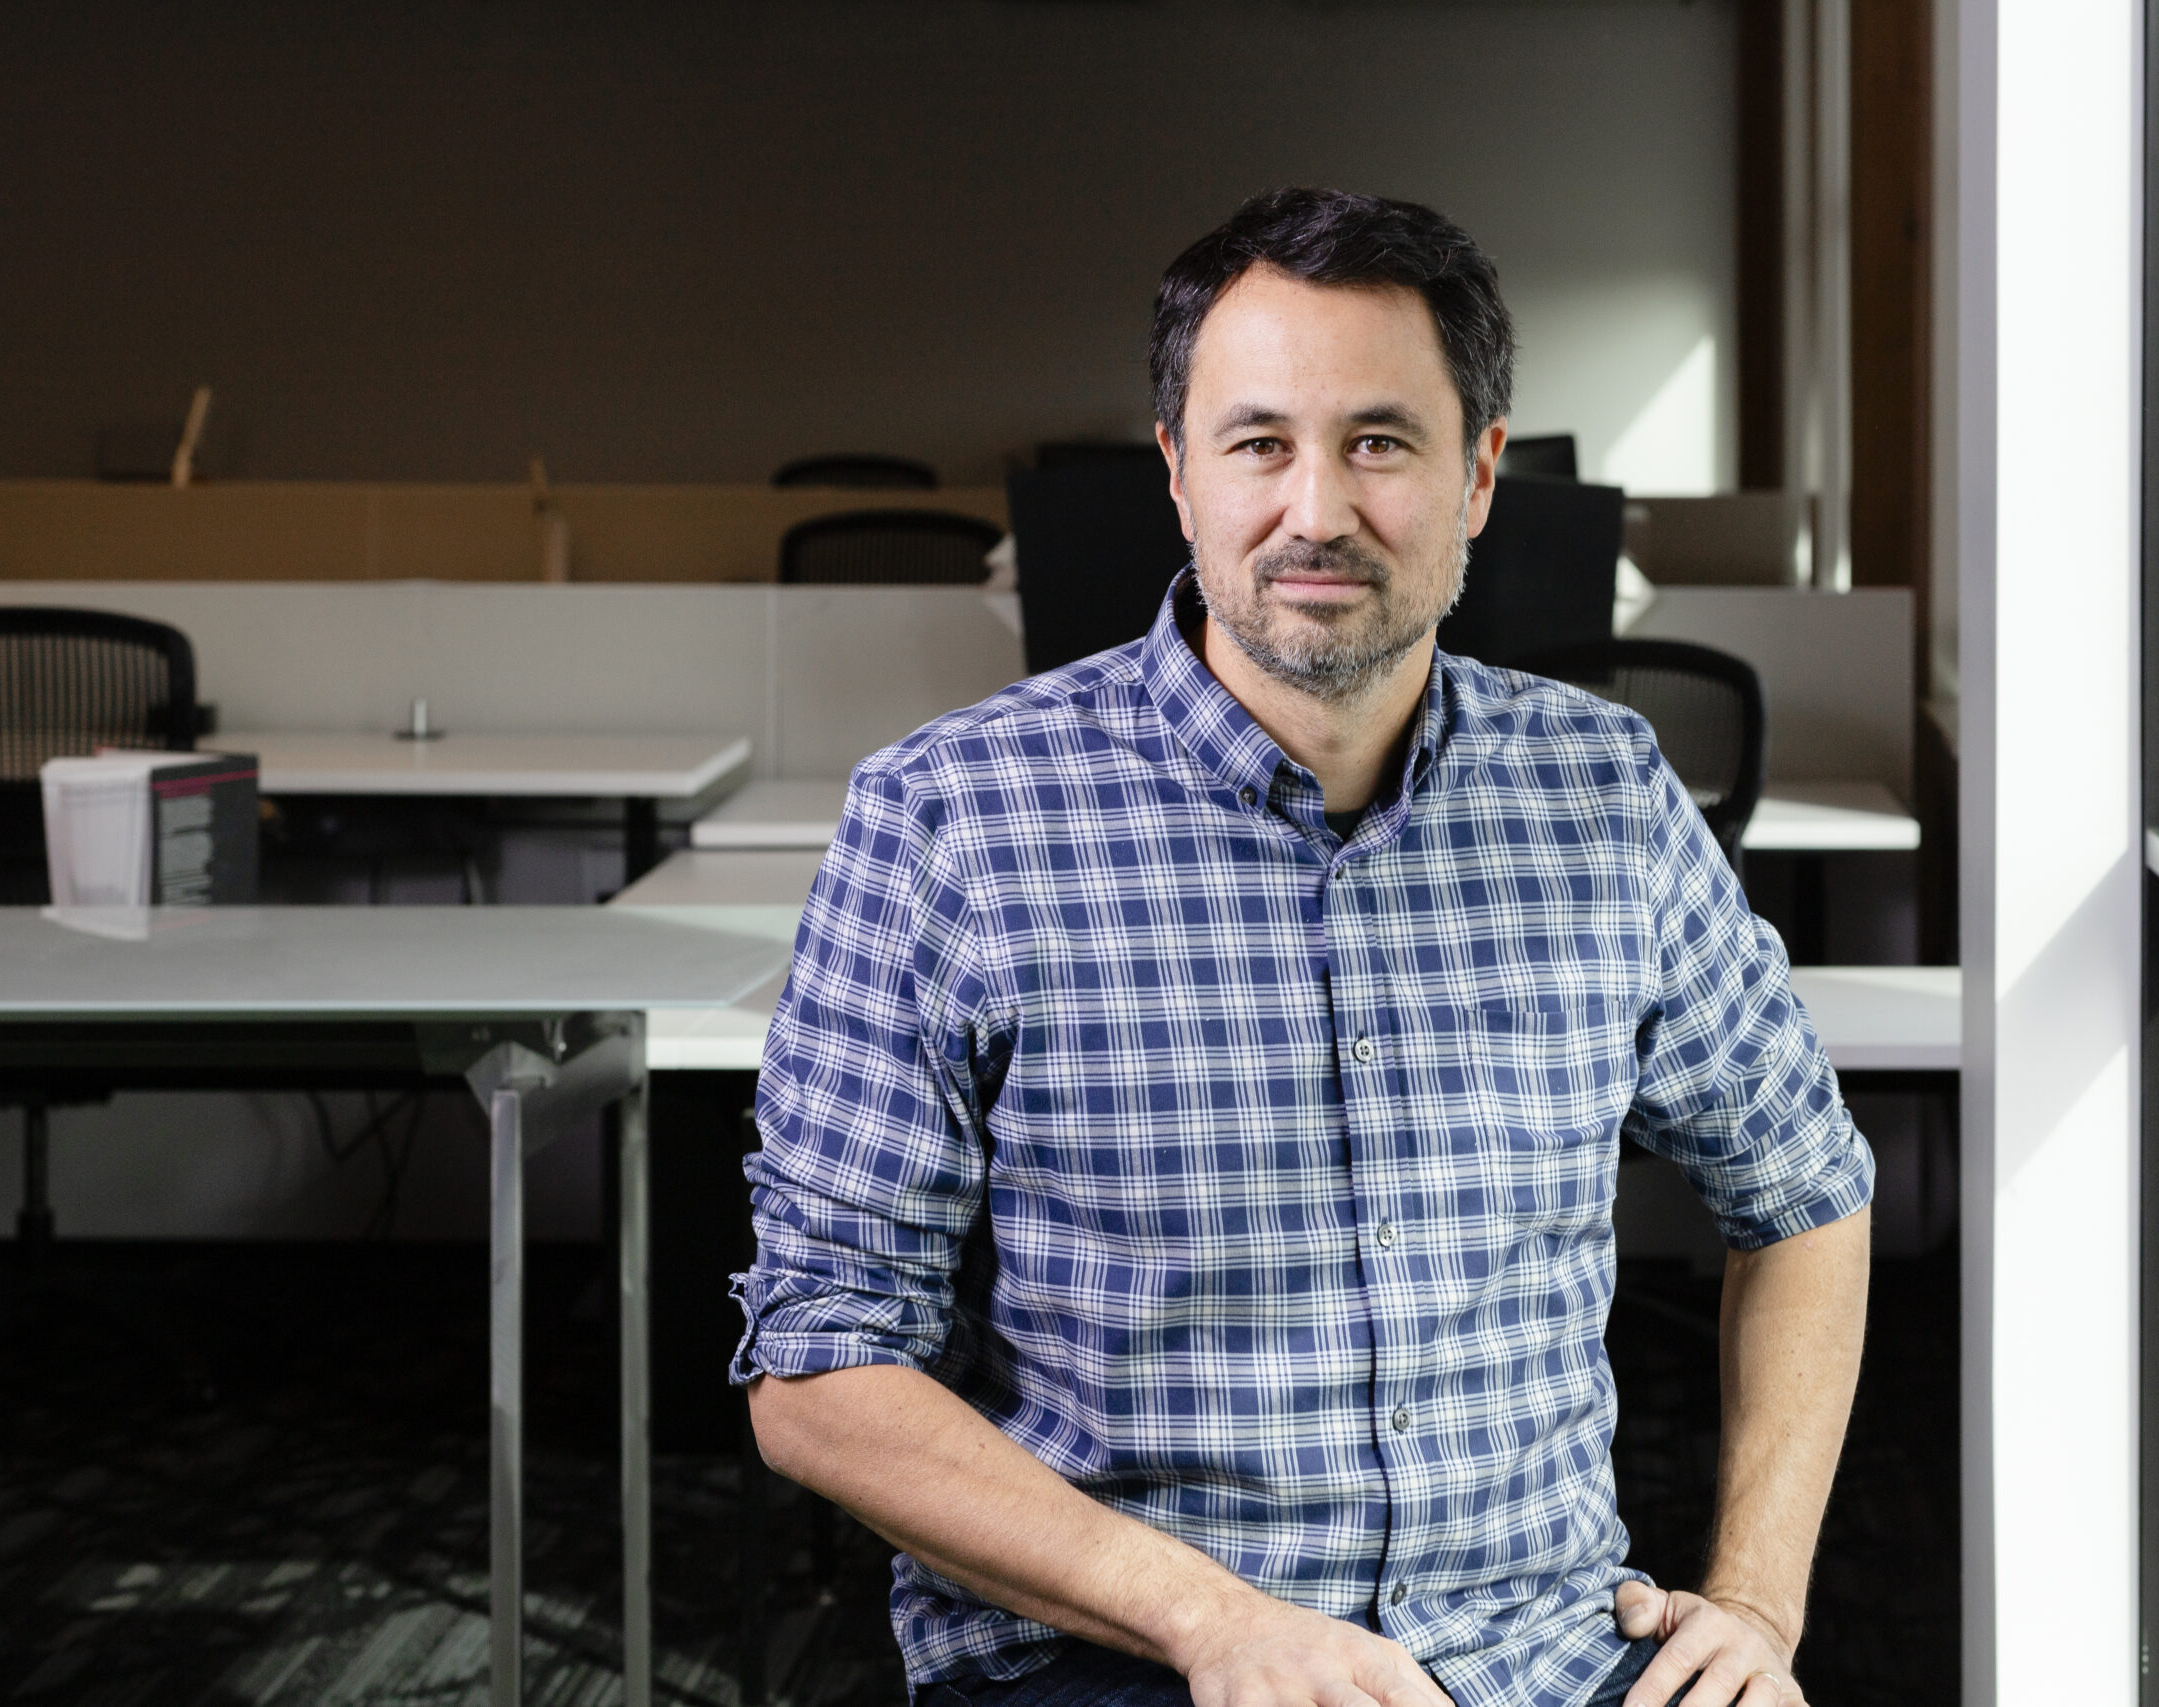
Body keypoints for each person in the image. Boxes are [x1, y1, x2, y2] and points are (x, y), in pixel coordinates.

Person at [734, 188, 1872, 1707]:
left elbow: (1805, 1194)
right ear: (1178, 474)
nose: (1317, 510)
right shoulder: (955, 823)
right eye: (1260, 442)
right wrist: (1212, 1624)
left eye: (1381, 443)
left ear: (1479, 477)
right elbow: (816, 1366)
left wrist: (1758, 1604)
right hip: (1119, 1658)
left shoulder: (1602, 795)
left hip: (1547, 1658)